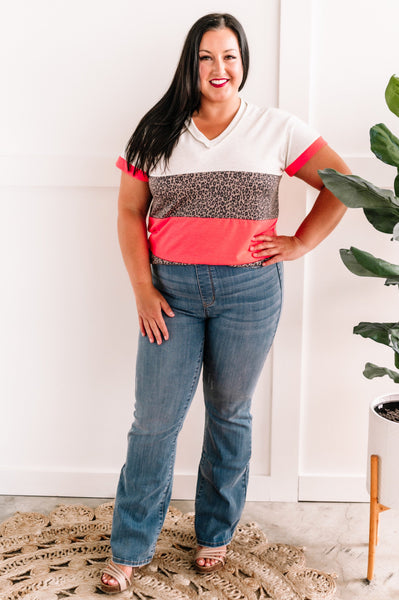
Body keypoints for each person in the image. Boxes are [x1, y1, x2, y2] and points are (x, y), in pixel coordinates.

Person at [100, 12, 350, 594]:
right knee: (154, 424)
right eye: (207, 57)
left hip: (250, 292)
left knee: (230, 414)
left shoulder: (277, 127)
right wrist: (142, 288)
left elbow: (341, 182)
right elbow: (129, 212)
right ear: (192, 64)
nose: (220, 68)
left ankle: (215, 530)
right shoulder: (155, 131)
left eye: (230, 56)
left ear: (244, 62)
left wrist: (299, 242)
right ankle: (131, 546)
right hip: (171, 295)